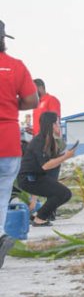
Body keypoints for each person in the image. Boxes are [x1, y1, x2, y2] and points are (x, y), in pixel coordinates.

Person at [0, 20, 39, 268]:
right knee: (2, 195)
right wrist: (12, 105)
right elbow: (31, 99)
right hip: (7, 140)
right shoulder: (14, 67)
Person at [19, 111, 74, 226]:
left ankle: (37, 216)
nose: (59, 126)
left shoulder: (49, 140)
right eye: (57, 123)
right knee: (63, 193)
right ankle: (39, 219)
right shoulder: (40, 140)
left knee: (64, 193)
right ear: (52, 125)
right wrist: (65, 157)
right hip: (29, 179)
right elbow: (46, 165)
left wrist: (63, 156)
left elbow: (51, 163)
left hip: (37, 177)